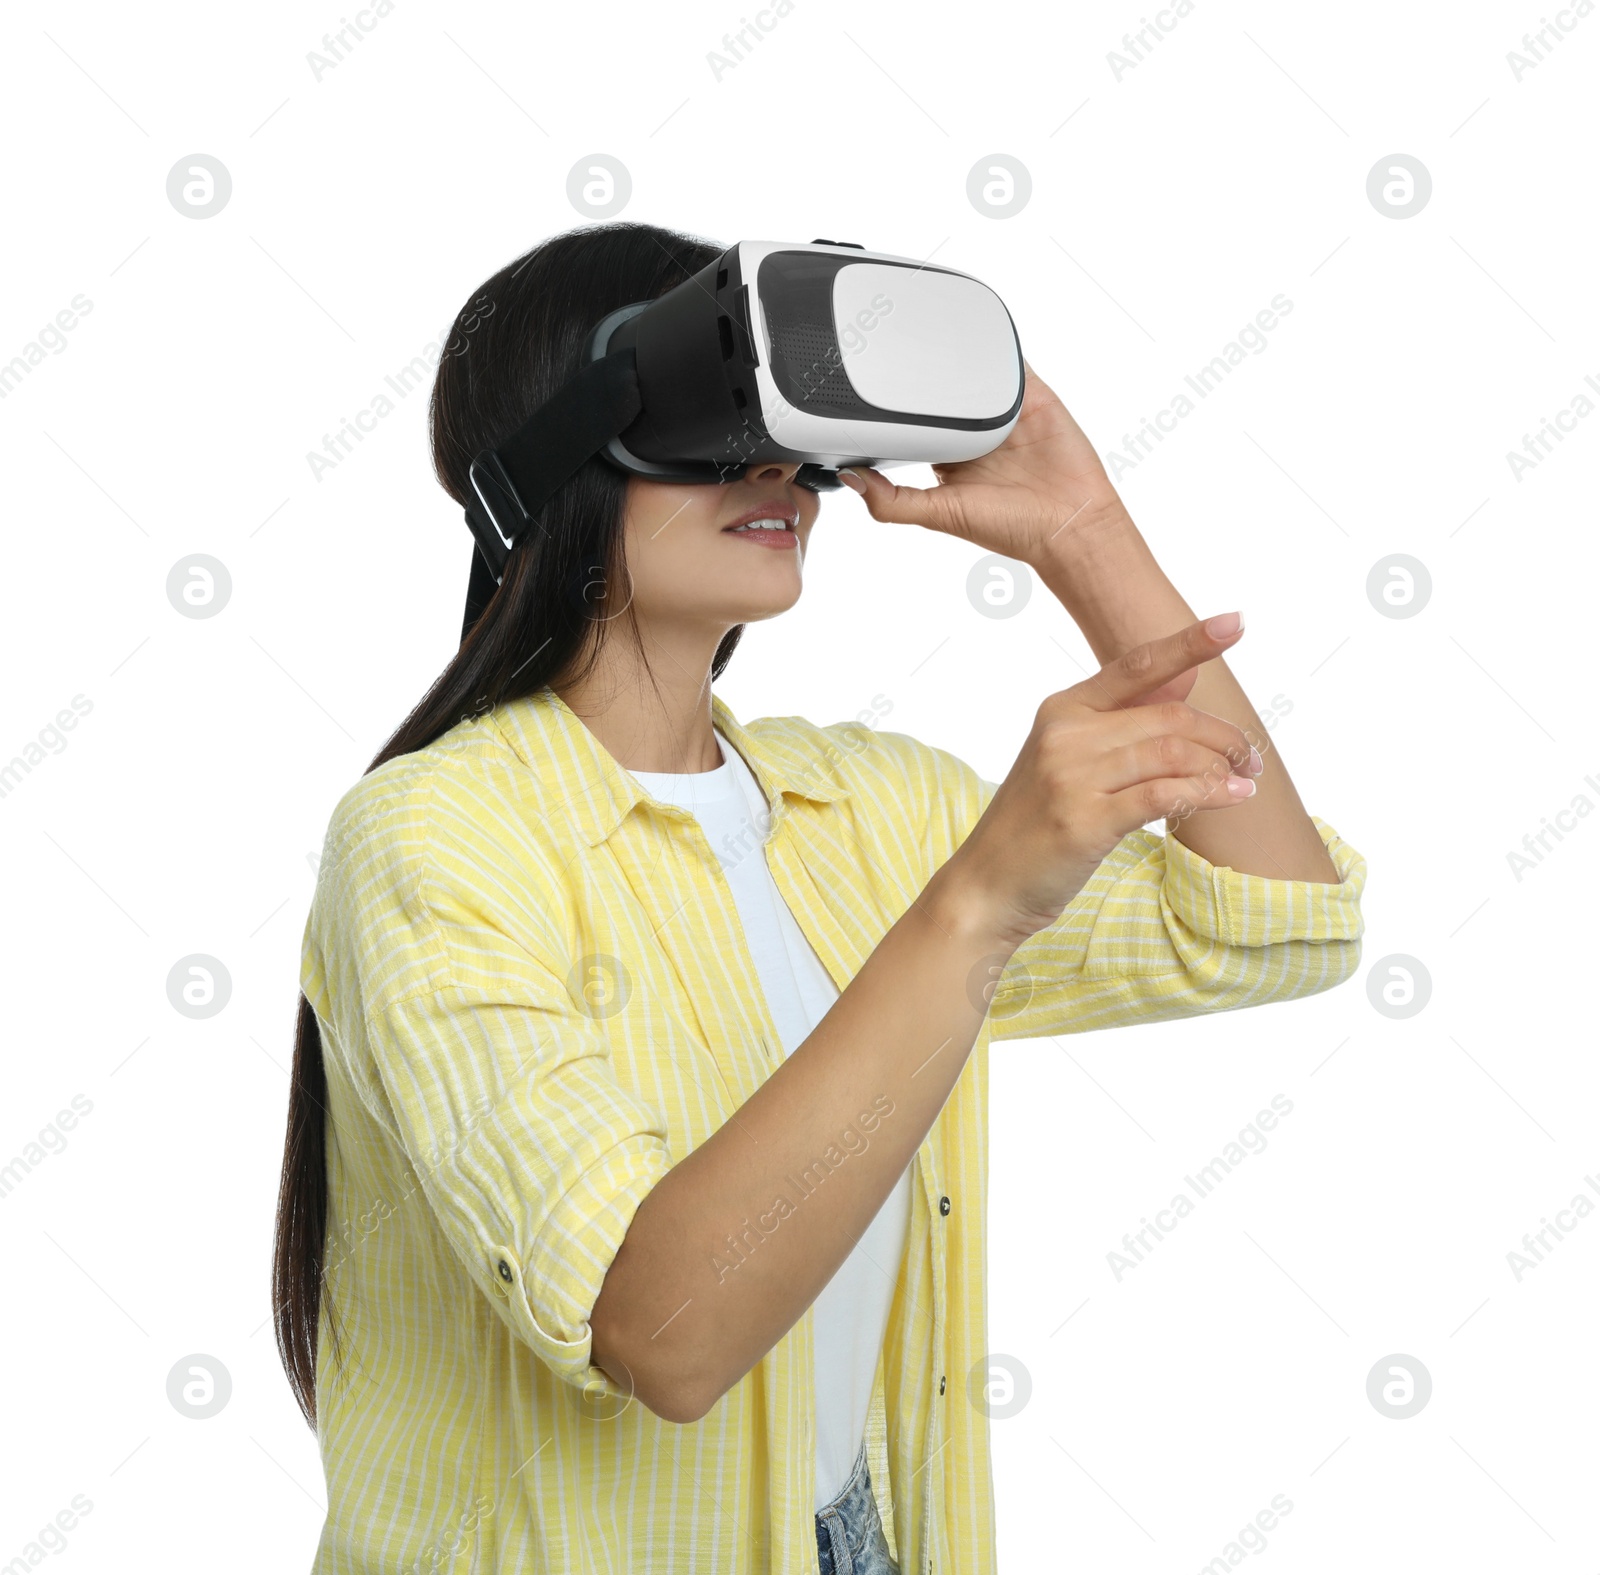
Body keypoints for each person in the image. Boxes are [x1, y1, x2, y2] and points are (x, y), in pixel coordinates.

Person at [272, 221, 1367, 1575]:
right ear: (558, 452)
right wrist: (972, 909)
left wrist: (1087, 535)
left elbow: (1273, 919)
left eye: (785, 423)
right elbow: (662, 1333)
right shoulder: (433, 839)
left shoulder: (864, 808)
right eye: (710, 410)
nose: (776, 464)